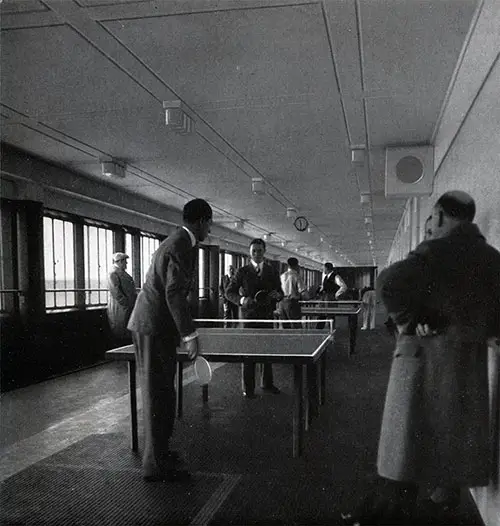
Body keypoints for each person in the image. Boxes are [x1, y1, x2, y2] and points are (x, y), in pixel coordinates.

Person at [342, 190, 500, 524]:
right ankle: (441, 506)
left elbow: (387, 283)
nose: (428, 225)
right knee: (451, 446)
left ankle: (386, 515)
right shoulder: (492, 258)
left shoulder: (435, 251)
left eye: (430, 218)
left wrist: (412, 319)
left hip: (422, 362)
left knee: (403, 446)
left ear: (440, 216)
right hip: (466, 368)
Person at [127, 198, 212, 482]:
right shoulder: (180, 245)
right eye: (209, 224)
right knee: (156, 395)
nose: (209, 231)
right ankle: (154, 466)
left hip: (157, 327)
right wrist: (189, 335)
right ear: (201, 221)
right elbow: (174, 293)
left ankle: (160, 454)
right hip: (152, 326)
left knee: (164, 394)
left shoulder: (179, 242)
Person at [225, 238, 284, 398]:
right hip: (248, 318)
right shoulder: (242, 272)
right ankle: (248, 388)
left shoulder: (272, 271)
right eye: (254, 251)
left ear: (264, 251)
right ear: (249, 253)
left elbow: (280, 292)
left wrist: (278, 295)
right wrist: (242, 300)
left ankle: (267, 384)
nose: (257, 253)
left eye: (260, 250)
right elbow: (229, 292)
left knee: (267, 352)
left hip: (266, 317)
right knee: (248, 353)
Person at [107, 252, 137, 346]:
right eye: (125, 261)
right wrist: (126, 304)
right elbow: (115, 291)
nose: (126, 264)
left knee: (126, 329)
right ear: (119, 262)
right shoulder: (113, 273)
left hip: (126, 306)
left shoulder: (121, 273)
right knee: (120, 329)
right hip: (120, 307)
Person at [316, 263, 347, 328]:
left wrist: (337, 294)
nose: (323, 269)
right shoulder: (325, 277)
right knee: (321, 314)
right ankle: (319, 331)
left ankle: (331, 333)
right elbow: (325, 286)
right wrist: (321, 289)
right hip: (323, 298)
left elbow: (344, 286)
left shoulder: (336, 276)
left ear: (327, 268)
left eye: (323, 268)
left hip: (330, 298)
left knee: (330, 315)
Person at [278, 257, 306, 328]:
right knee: (296, 327)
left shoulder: (282, 276)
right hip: (292, 303)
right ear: (297, 265)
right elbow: (303, 291)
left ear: (288, 265)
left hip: (281, 304)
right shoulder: (297, 276)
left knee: (285, 327)